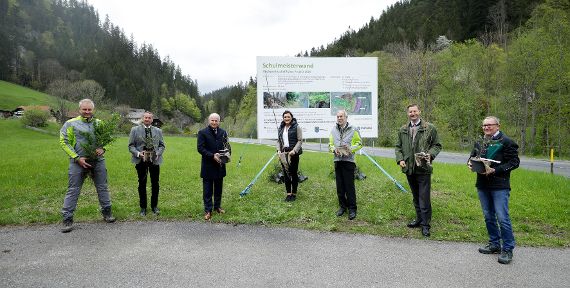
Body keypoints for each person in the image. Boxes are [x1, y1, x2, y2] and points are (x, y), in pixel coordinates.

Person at [59, 99, 116, 233]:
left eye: (89, 109)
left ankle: (107, 213)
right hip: (78, 162)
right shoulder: (70, 123)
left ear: (93, 110)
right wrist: (76, 158)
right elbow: (64, 142)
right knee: (73, 189)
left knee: (102, 187)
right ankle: (67, 219)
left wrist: (103, 148)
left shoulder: (99, 123)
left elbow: (107, 139)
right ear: (80, 109)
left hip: (98, 161)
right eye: (84, 109)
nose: (87, 112)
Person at [468, 116, 519, 264]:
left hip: (499, 185)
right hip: (482, 185)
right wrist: (470, 164)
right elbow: (472, 157)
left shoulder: (507, 142)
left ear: (498, 126)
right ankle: (495, 244)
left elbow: (514, 162)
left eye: (489, 125)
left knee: (502, 218)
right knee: (488, 216)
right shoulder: (480, 141)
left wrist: (495, 170)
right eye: (484, 126)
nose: (486, 128)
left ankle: (508, 249)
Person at [395, 104, 442, 237]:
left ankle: (426, 225)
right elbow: (398, 147)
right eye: (410, 112)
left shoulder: (429, 128)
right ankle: (419, 219)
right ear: (408, 114)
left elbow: (437, 145)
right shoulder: (403, 129)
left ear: (419, 112)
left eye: (415, 111)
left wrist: (430, 155)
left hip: (423, 168)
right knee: (416, 196)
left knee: (424, 197)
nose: (413, 113)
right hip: (409, 168)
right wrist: (400, 159)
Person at [128, 111, 166, 216]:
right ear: (142, 118)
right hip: (141, 161)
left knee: (155, 183)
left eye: (149, 118)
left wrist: (158, 153)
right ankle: (143, 207)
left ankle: (154, 206)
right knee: (142, 183)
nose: (147, 119)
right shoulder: (134, 130)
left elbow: (162, 145)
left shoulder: (158, 131)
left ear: (152, 119)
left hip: (155, 160)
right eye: (145, 117)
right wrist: (138, 153)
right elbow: (130, 146)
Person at [329, 110, 362, 220]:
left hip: (349, 161)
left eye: (341, 116)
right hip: (338, 160)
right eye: (338, 116)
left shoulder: (353, 129)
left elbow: (359, 143)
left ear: (346, 117)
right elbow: (330, 145)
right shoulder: (333, 130)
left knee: (349, 186)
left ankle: (352, 209)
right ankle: (342, 207)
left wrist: (350, 149)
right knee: (340, 186)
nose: (339, 118)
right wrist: (334, 150)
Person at [197, 113, 231, 221]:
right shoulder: (202, 133)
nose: (214, 122)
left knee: (218, 188)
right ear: (209, 121)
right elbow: (200, 148)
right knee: (207, 190)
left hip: (220, 165)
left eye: (216, 120)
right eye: (212, 120)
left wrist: (228, 154)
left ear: (219, 121)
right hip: (208, 165)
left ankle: (217, 207)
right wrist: (212, 155)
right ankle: (208, 210)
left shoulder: (223, 132)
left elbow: (227, 146)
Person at [276, 110, 303, 202]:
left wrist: (294, 150)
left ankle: (294, 194)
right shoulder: (281, 128)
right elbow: (278, 141)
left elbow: (300, 140)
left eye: (288, 117)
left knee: (294, 173)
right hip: (284, 154)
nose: (286, 118)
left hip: (293, 154)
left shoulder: (296, 127)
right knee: (286, 174)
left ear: (291, 117)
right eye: (285, 117)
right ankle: (288, 194)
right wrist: (279, 150)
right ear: (283, 118)